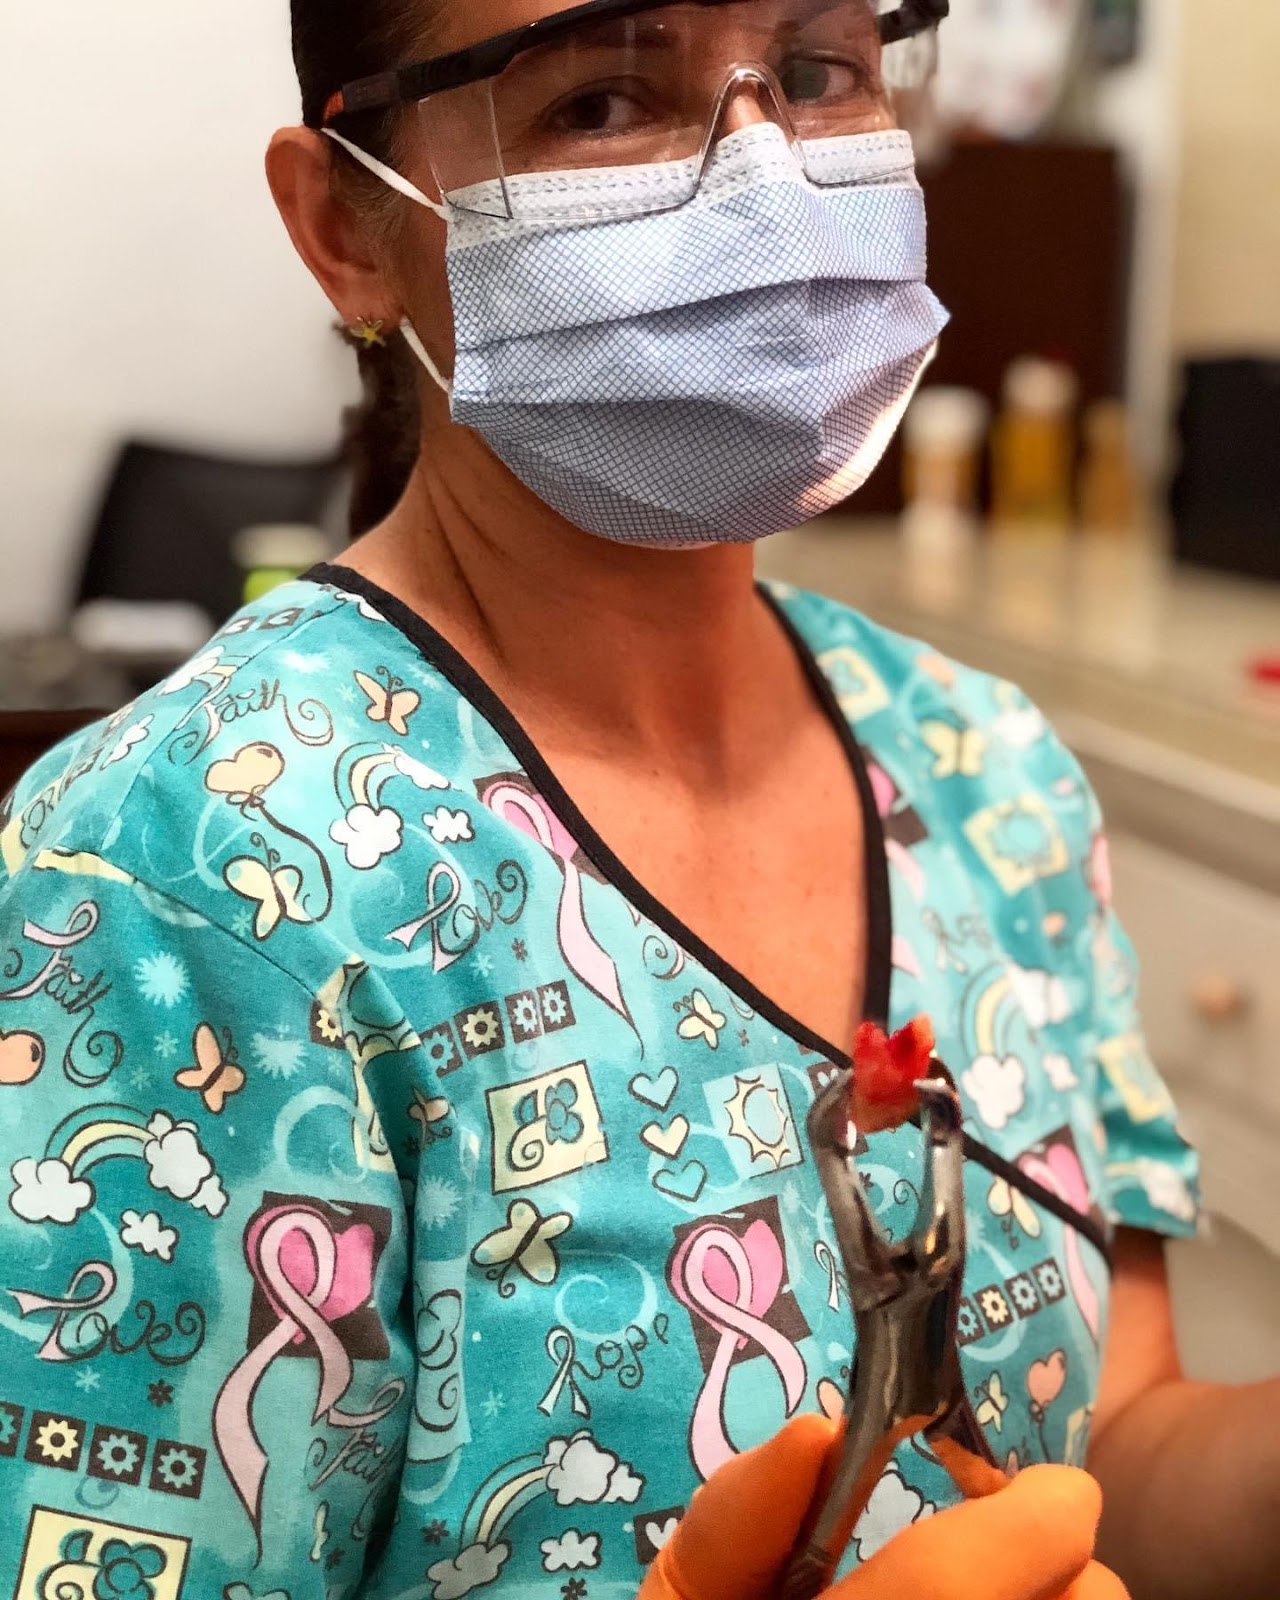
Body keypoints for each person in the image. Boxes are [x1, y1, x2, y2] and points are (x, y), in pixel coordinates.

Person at [0, 1, 1274, 1596]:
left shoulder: (982, 767)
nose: (766, 180)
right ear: (344, 226)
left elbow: (1101, 1460)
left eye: (818, 71)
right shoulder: (177, 878)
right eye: (603, 100)